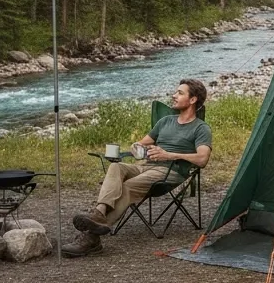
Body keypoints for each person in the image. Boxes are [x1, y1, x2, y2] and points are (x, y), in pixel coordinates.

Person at [62, 79, 213, 257]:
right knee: (116, 167)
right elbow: (141, 143)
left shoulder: (201, 128)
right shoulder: (165, 121)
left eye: (180, 93)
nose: (174, 95)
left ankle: (91, 238)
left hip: (170, 171)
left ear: (193, 100)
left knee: (127, 186)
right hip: (147, 166)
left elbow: (202, 159)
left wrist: (169, 155)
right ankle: (99, 214)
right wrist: (136, 147)